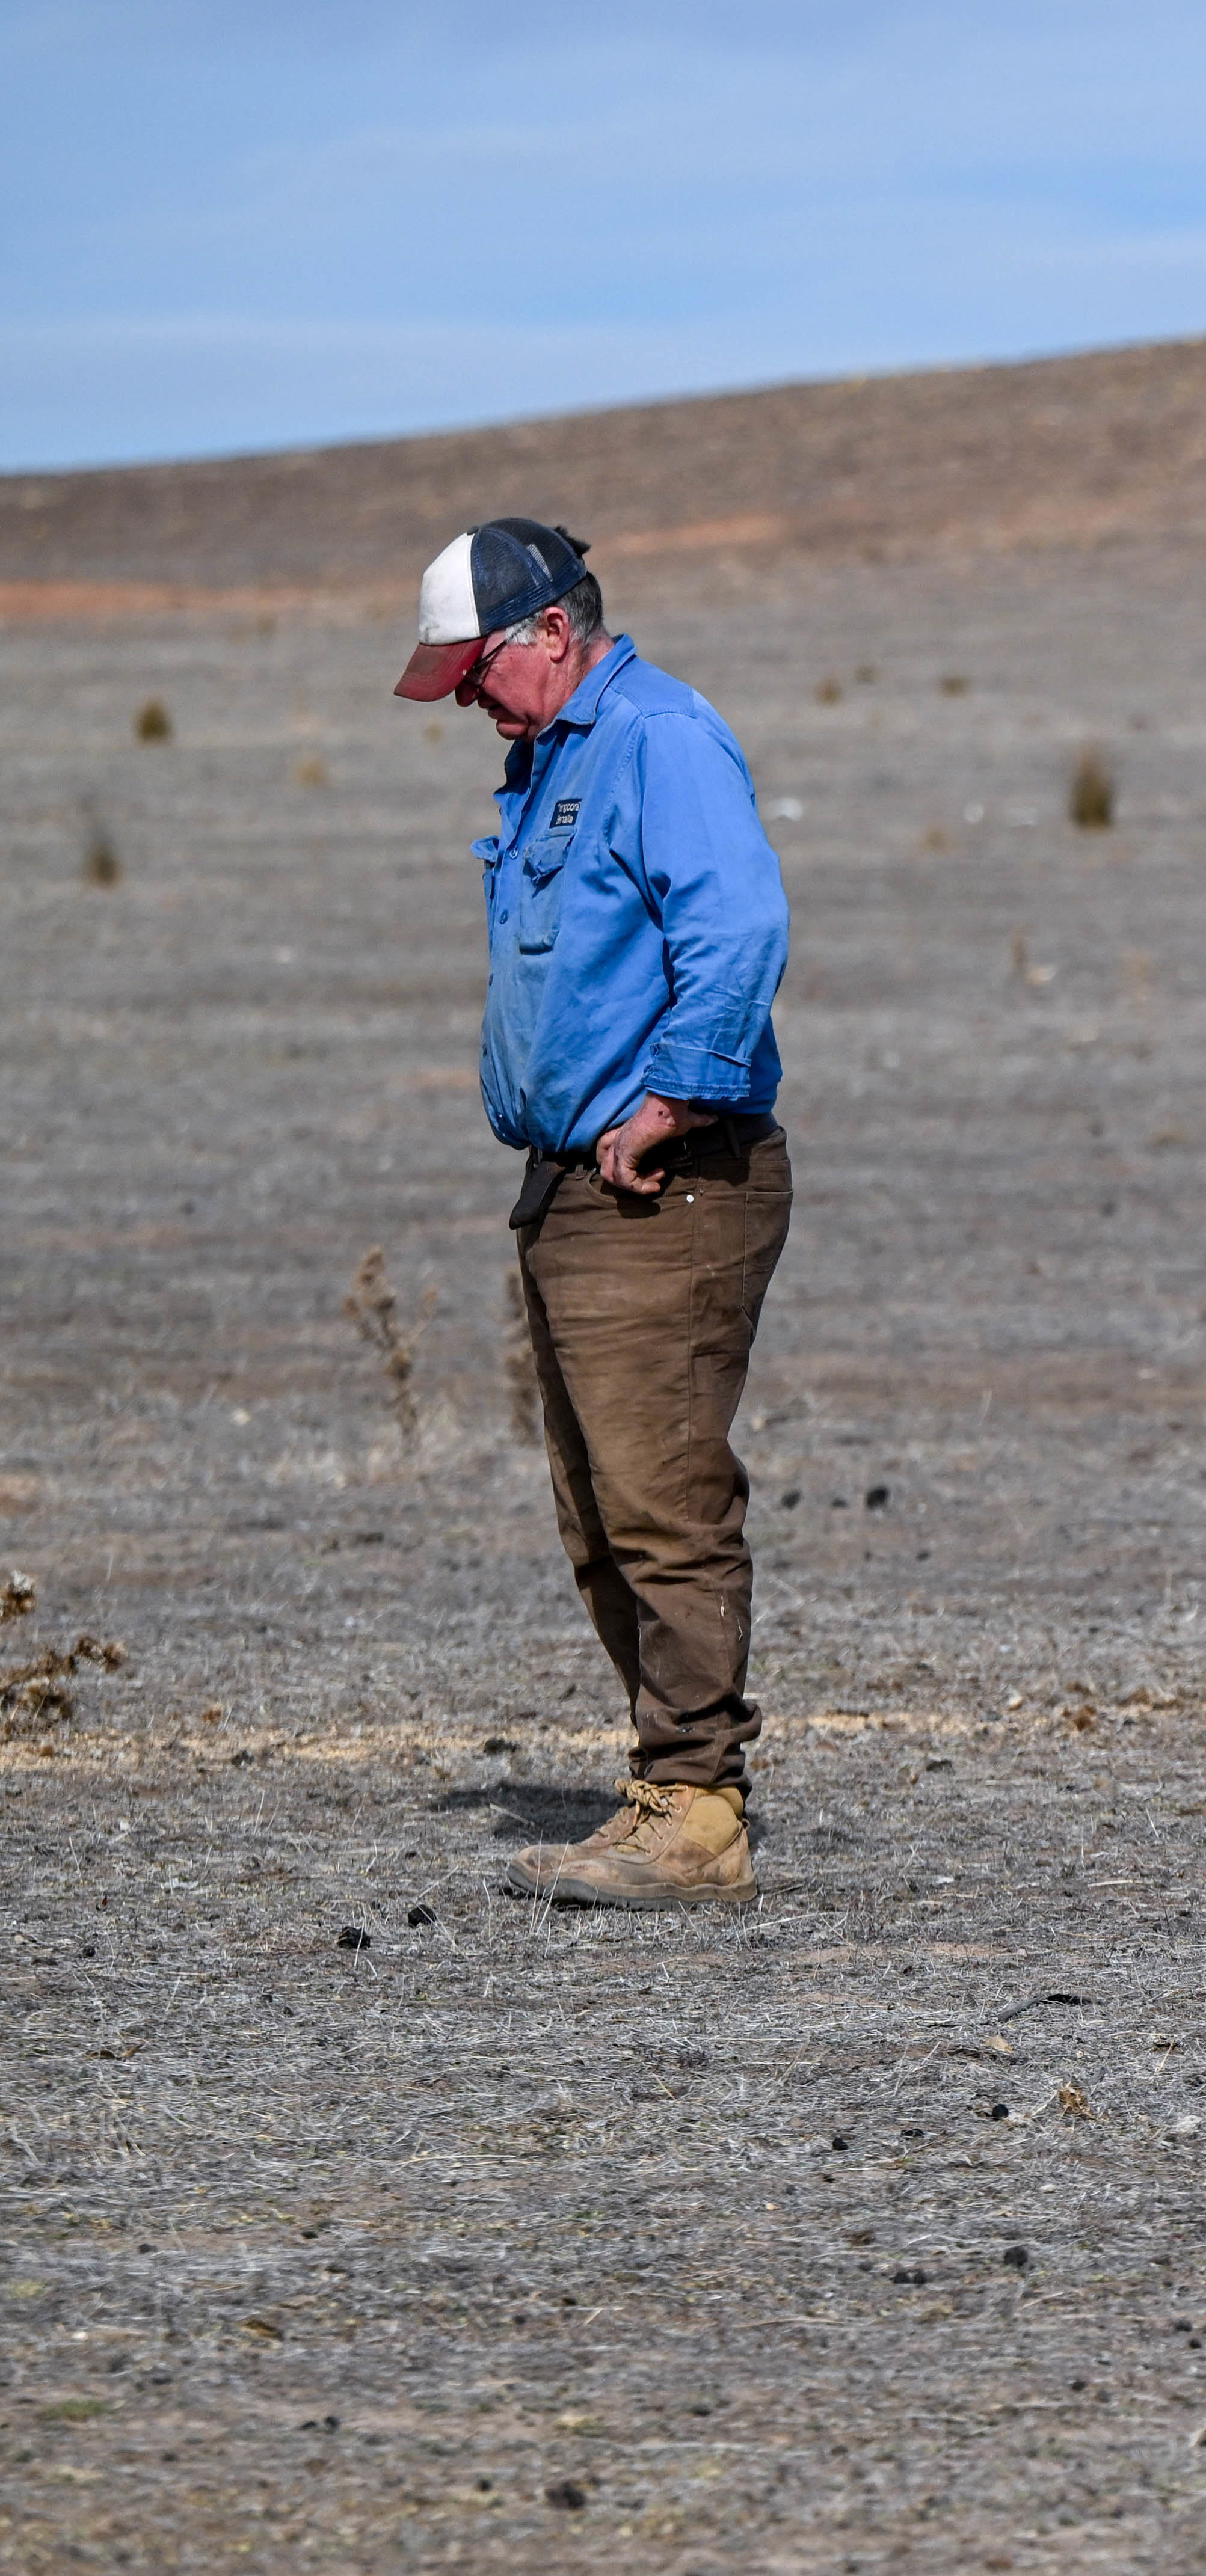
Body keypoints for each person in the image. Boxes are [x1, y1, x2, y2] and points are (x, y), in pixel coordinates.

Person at [397, 518, 794, 1907]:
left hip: (665, 1178)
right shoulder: (552, 757)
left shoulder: (659, 739)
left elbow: (737, 928)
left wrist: (672, 1100)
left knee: (662, 1498)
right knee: (598, 1506)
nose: (461, 696)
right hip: (577, 1183)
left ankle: (699, 1808)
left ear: (552, 630)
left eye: (475, 667)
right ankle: (666, 1785)